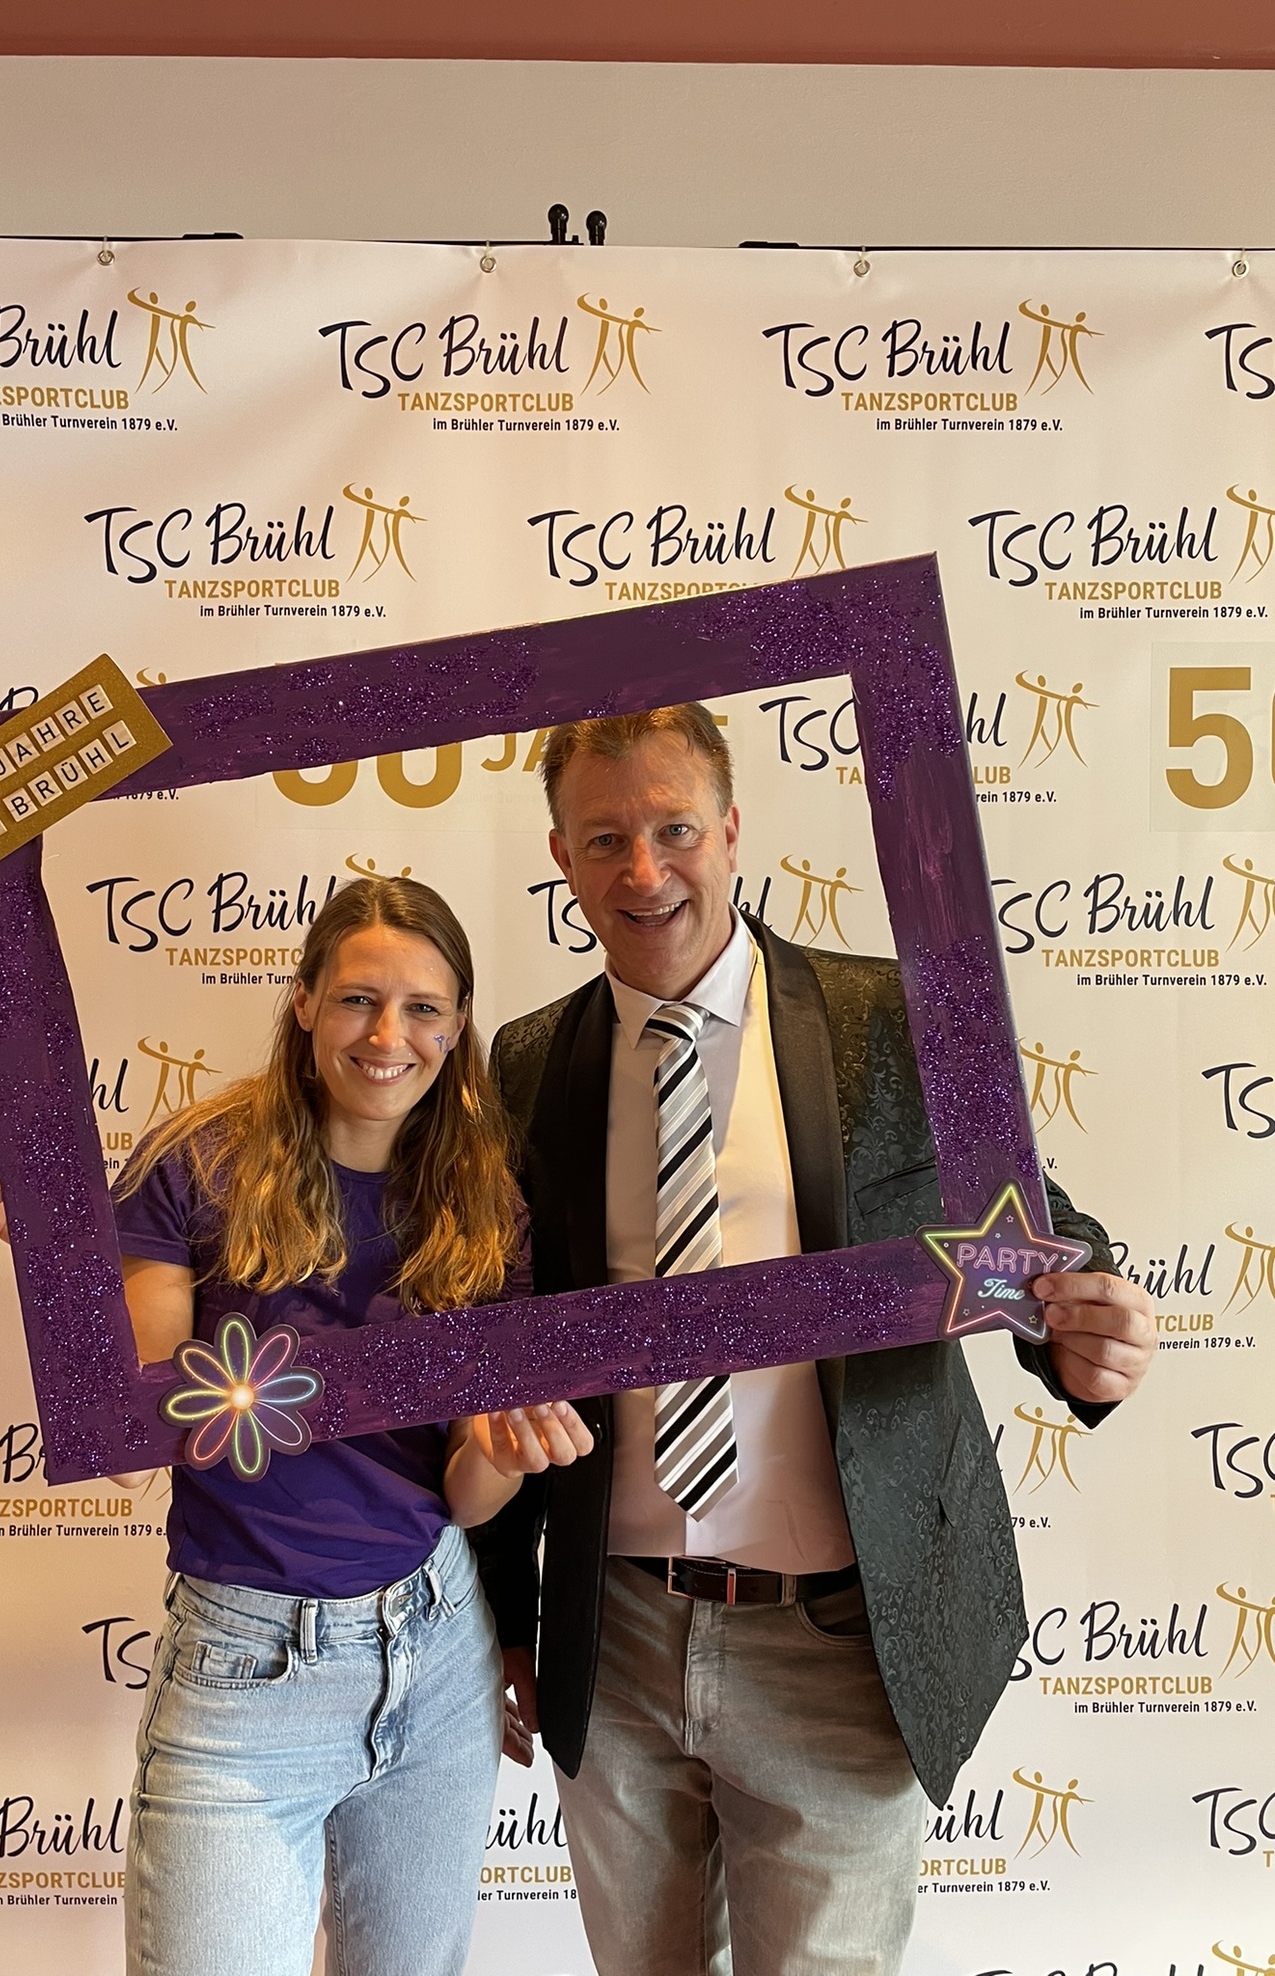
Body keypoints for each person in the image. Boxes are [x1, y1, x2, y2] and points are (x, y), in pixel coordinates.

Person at [474, 705, 1156, 1976]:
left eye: (675, 828)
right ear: (561, 855)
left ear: (732, 830)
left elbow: (1034, 1231)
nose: (644, 869)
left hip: (843, 1645)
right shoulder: (523, 1061)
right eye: (605, 836)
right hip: (614, 1642)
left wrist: (1085, 1321)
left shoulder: (898, 1017)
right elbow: (510, 1352)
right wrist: (507, 1616)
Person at [0, 875, 592, 1976]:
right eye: (357, 999)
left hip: (434, 1642)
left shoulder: (487, 1195)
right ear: (302, 1001)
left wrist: (496, 1447)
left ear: (459, 1023)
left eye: (425, 1007)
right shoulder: (199, 1162)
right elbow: (142, 1407)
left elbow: (466, 1488)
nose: (389, 1035)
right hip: (246, 1667)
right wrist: (64, 1268)